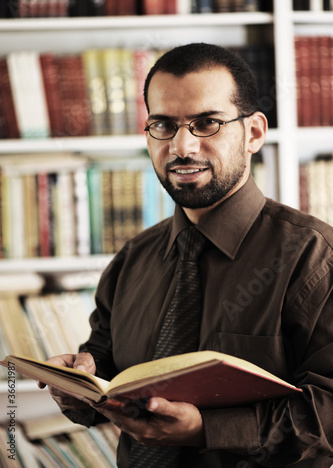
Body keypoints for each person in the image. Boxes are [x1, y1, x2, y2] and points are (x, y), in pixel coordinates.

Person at [38, 43, 333, 467]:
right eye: (163, 125)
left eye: (207, 123)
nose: (182, 147)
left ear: (253, 133)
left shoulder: (315, 258)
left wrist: (205, 430)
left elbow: (328, 412)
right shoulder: (132, 259)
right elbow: (103, 364)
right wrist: (79, 382)